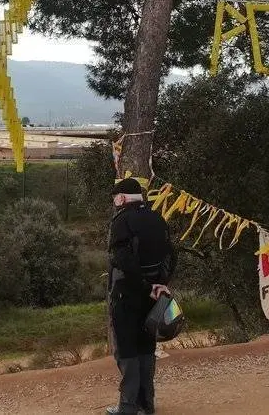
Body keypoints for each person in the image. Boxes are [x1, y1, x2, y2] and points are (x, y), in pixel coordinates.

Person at [106, 178, 177, 415]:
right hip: (153, 297)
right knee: (146, 346)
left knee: (126, 349)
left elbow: (122, 261)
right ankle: (148, 403)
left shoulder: (122, 221)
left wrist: (145, 285)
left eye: (116, 197)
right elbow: (171, 255)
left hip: (127, 293)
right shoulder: (157, 218)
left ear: (122, 198)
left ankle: (127, 407)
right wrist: (160, 284)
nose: (115, 201)